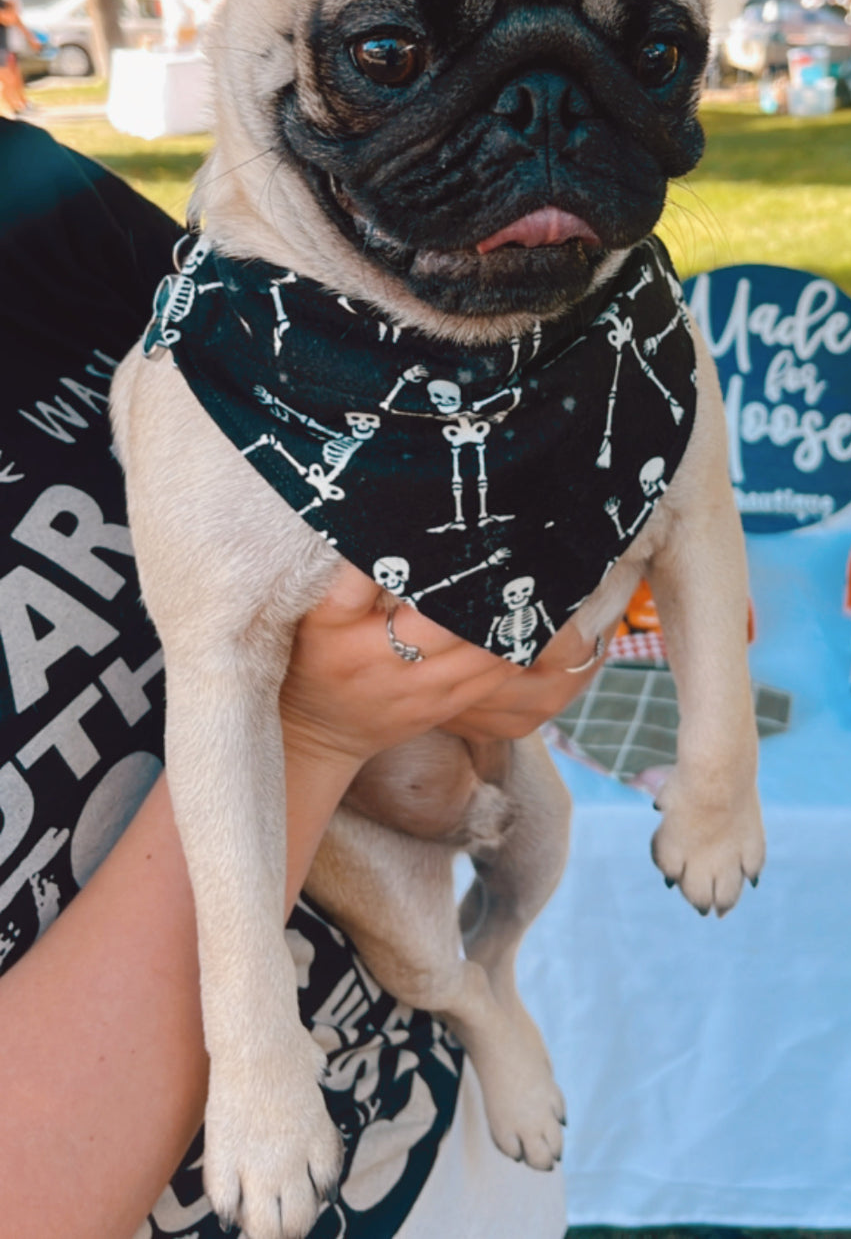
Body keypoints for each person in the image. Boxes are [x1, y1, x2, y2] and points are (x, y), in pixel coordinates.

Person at [0, 120, 604, 1239]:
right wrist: (316, 729)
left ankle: (488, 996)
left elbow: (345, 350)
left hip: (426, 1121)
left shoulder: (28, 193)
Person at [0, 0, 44, 116]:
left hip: (5, 40)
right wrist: (30, 37)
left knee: (9, 76)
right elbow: (9, 18)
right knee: (8, 77)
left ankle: (17, 107)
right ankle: (16, 107)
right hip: (5, 41)